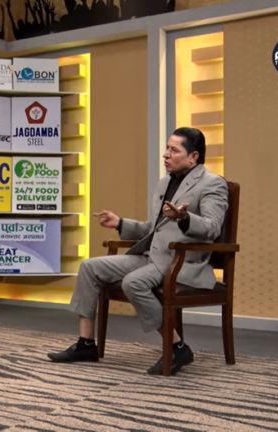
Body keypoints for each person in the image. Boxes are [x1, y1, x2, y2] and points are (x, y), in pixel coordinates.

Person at [47, 127, 228, 376]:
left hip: (181, 261)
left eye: (174, 150)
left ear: (193, 157)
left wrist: (184, 218)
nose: (166, 154)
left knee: (133, 282)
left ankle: (177, 347)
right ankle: (86, 344)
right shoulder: (165, 183)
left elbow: (212, 228)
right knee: (89, 267)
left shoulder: (213, 183)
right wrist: (120, 223)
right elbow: (153, 229)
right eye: (167, 148)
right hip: (152, 257)